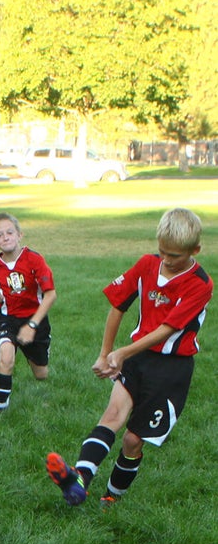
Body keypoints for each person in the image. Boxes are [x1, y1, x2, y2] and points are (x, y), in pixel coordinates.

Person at [47, 208, 211, 508]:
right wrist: (106, 353)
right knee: (112, 415)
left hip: (171, 370)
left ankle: (112, 496)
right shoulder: (147, 264)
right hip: (139, 359)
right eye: (162, 252)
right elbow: (118, 305)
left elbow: (166, 330)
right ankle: (79, 481)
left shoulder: (200, 284)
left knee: (132, 441)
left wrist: (122, 353)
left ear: (194, 251)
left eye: (174, 255)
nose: (166, 260)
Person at [0, 211, 56, 410]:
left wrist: (32, 325)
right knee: (6, 358)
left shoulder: (34, 260)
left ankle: (33, 351)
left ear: (19, 235)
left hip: (35, 319)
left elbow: (51, 295)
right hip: (7, 318)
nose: (5, 237)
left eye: (9, 232)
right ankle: (0, 412)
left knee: (41, 374)